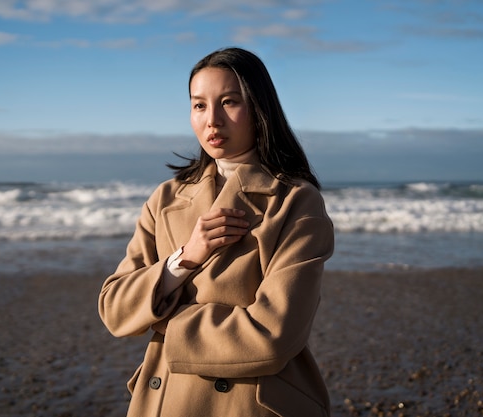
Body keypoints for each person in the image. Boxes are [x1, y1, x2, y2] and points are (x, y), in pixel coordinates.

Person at [98, 47, 334, 417]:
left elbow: (274, 336)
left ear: (259, 109)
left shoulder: (295, 201)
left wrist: (165, 322)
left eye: (229, 102)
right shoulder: (166, 197)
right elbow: (115, 309)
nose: (213, 120)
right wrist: (185, 257)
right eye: (199, 105)